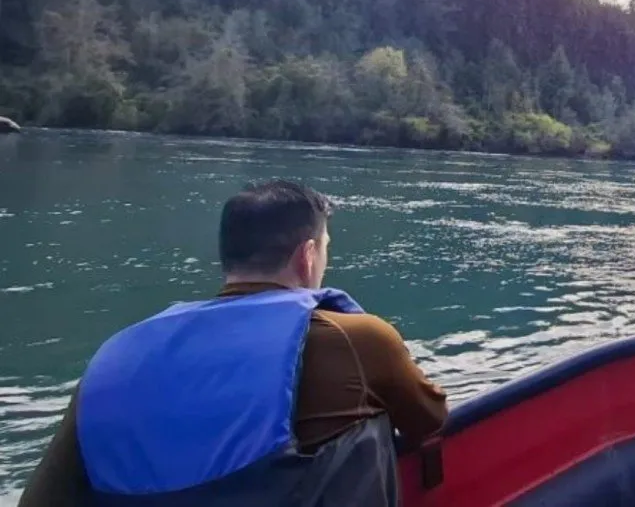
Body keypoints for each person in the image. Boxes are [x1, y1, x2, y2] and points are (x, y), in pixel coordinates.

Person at [19, 179, 448, 507]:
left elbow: (43, 498)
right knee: (371, 421)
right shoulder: (356, 338)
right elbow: (428, 417)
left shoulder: (117, 354)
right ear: (308, 255)